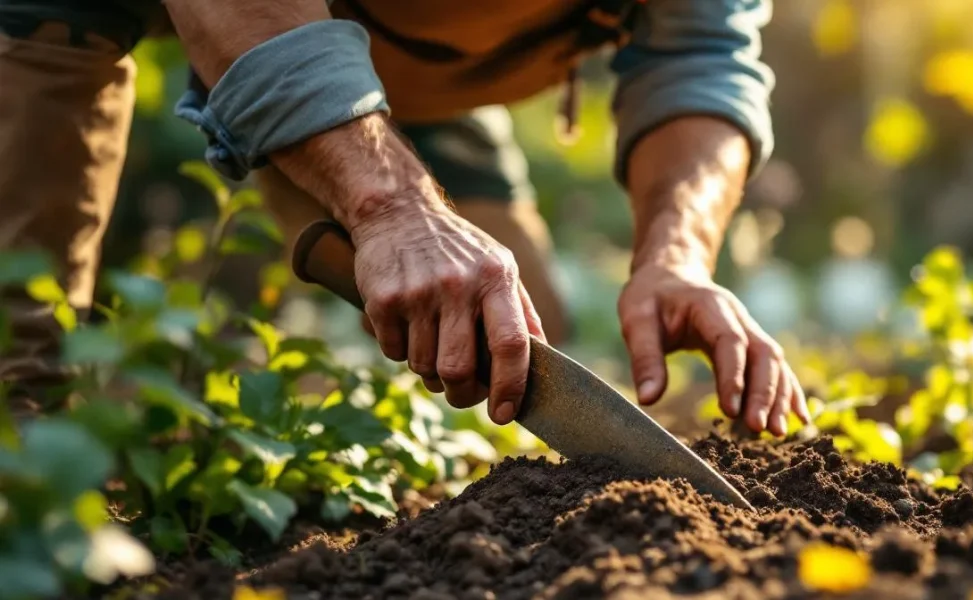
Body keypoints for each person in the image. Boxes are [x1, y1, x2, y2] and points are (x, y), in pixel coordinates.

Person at [0, 0, 810, 435]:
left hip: (417, 56)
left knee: (515, 342)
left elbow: (700, 55)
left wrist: (674, 256)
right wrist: (390, 205)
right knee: (17, 382)